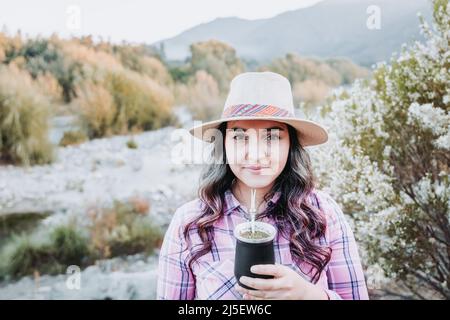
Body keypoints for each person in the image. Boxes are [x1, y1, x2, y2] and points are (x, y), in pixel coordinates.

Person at [157, 71, 369, 300]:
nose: (256, 154)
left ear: (291, 145)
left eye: (272, 137)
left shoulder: (324, 214)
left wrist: (308, 295)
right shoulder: (189, 222)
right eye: (239, 136)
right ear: (223, 144)